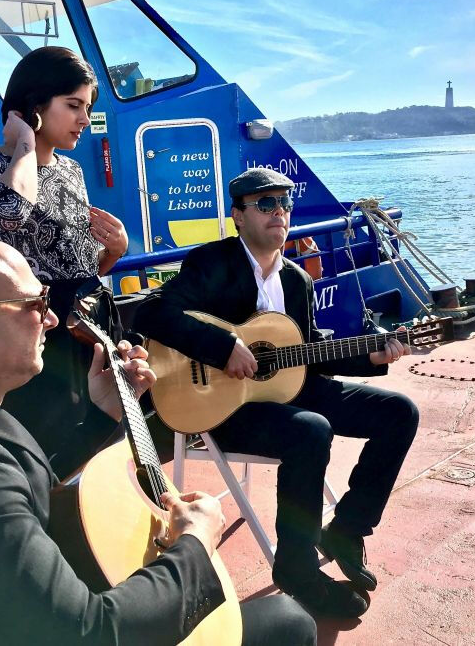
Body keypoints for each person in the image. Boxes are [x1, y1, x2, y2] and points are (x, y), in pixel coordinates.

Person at [0, 237, 316, 645]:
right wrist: (195, 542)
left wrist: (102, 414)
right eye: (35, 304)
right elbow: (84, 634)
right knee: (287, 621)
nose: (50, 320)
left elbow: (24, 494)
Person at [133, 168, 420, 620]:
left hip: (290, 392)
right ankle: (296, 569)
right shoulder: (213, 264)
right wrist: (223, 346)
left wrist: (372, 359)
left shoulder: (295, 281)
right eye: (265, 204)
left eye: (285, 204)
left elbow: (307, 355)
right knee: (310, 431)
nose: (279, 213)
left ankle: (347, 528)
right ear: (238, 217)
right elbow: (152, 315)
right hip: (223, 406)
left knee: (399, 412)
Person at [0, 46, 128, 476]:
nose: (84, 119)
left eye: (87, 108)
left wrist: (114, 251)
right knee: (52, 444)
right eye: (73, 105)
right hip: (37, 331)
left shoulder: (72, 170)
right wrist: (24, 143)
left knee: (109, 438)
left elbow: (79, 263)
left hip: (91, 322)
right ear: (35, 106)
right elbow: (12, 212)